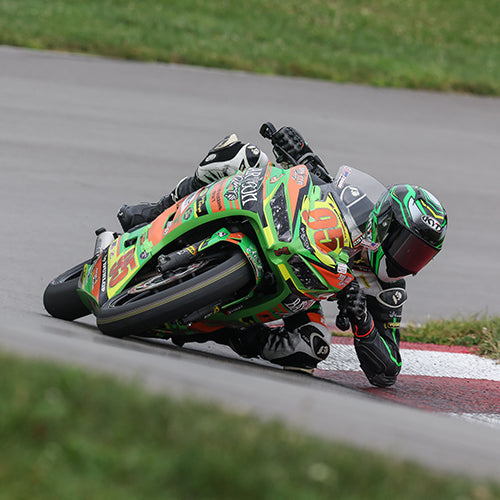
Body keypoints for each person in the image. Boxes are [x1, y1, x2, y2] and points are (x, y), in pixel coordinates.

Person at [117, 126, 447, 387]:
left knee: (312, 348)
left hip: (304, 294)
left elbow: (387, 370)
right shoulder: (359, 206)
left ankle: (222, 330)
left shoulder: (388, 291)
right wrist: (301, 153)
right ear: (387, 222)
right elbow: (323, 186)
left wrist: (363, 322)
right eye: (406, 245)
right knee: (240, 156)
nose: (408, 260)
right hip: (288, 236)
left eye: (420, 255)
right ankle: (157, 212)